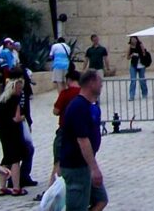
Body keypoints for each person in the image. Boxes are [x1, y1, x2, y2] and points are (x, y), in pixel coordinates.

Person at [60, 69, 107, 211]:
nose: (101, 86)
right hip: (75, 166)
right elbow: (82, 140)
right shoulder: (78, 107)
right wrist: (94, 168)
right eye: (100, 82)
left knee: (101, 200)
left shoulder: (87, 105)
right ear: (91, 83)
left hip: (83, 164)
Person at [0, 77, 28, 196]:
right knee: (15, 159)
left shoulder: (3, 100)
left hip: (3, 131)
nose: (20, 91)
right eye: (19, 88)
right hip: (13, 131)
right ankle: (16, 187)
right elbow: (17, 118)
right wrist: (23, 118)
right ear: (14, 87)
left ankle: (2, 187)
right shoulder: (15, 100)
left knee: (6, 157)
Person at [49, 69, 81, 188]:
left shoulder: (65, 93)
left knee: (59, 159)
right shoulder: (84, 93)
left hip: (65, 130)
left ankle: (51, 187)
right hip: (80, 130)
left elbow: (56, 111)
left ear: (68, 80)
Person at [127, 36, 149, 100]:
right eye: (132, 39)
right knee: (133, 81)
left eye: (134, 39)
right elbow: (127, 57)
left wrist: (140, 54)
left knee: (142, 80)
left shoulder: (140, 44)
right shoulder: (130, 47)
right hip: (133, 65)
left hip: (141, 65)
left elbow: (144, 53)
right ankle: (131, 95)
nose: (133, 40)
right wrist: (132, 55)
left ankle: (144, 93)